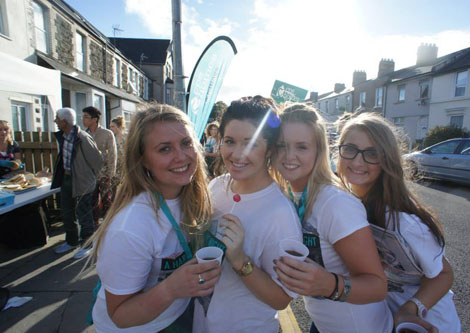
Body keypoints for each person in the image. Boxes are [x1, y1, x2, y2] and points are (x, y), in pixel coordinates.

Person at [88, 104, 222, 332]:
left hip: (178, 317)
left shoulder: (192, 195)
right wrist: (172, 288)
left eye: (186, 143)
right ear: (143, 160)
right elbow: (120, 315)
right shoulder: (130, 227)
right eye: (164, 149)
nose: (181, 156)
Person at [272, 103, 392, 333]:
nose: (289, 156)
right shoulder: (288, 194)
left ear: (319, 151)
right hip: (322, 324)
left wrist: (329, 284)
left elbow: (378, 287)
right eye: (281, 145)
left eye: (302, 147)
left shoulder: (336, 204)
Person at [336, 112, 461, 332]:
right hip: (385, 319)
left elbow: (444, 274)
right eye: (349, 149)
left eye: (372, 153)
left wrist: (411, 308)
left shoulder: (404, 221)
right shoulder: (347, 202)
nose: (357, 161)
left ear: (387, 159)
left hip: (427, 323)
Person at [193, 96, 302, 332]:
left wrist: (240, 260)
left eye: (251, 144)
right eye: (229, 141)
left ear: (269, 149)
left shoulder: (281, 213)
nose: (237, 154)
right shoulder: (217, 186)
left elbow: (281, 299)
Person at [52, 108, 104, 259]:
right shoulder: (63, 136)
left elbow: (98, 161)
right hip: (67, 178)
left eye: (57, 118)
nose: (55, 121)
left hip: (83, 181)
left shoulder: (83, 137)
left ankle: (88, 244)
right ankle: (71, 241)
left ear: (65, 121)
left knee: (84, 213)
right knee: (67, 212)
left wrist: (89, 177)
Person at [82, 106, 117, 226]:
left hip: (104, 173)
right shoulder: (83, 135)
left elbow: (113, 153)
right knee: (91, 200)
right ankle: (94, 224)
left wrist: (111, 173)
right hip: (89, 174)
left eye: (86, 117)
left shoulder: (107, 133)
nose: (83, 120)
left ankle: (109, 224)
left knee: (106, 199)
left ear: (95, 119)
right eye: (83, 117)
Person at [110, 116, 126, 190]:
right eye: (110, 127)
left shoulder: (126, 138)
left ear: (119, 127)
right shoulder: (112, 138)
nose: (111, 129)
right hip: (115, 168)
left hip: (125, 168)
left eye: (113, 126)